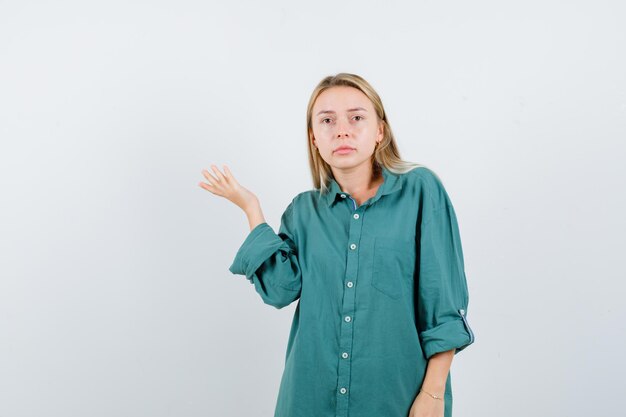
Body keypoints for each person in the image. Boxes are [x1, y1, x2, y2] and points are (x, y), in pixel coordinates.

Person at [198, 73, 475, 417]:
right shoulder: (303, 211)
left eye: (356, 118)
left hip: (398, 399)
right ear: (314, 137)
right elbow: (280, 291)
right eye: (327, 120)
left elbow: (443, 303)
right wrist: (251, 208)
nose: (341, 130)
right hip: (309, 399)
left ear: (380, 132)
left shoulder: (420, 191)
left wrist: (433, 394)